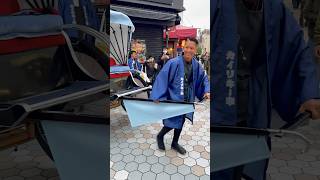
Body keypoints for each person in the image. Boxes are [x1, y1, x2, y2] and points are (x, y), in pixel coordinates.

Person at [212, 0, 320, 179]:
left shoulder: (274, 7)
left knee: (244, 160)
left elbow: (296, 48)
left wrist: (308, 93)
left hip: (252, 107)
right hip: (218, 110)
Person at [150, 38, 210, 154]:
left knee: (181, 121)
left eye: (191, 48)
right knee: (171, 121)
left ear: (195, 50)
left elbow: (204, 79)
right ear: (183, 48)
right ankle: (160, 136)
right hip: (174, 98)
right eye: (186, 47)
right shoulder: (173, 63)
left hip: (187, 99)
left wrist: (206, 91)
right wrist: (157, 95)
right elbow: (162, 78)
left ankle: (175, 142)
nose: (188, 50)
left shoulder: (197, 65)